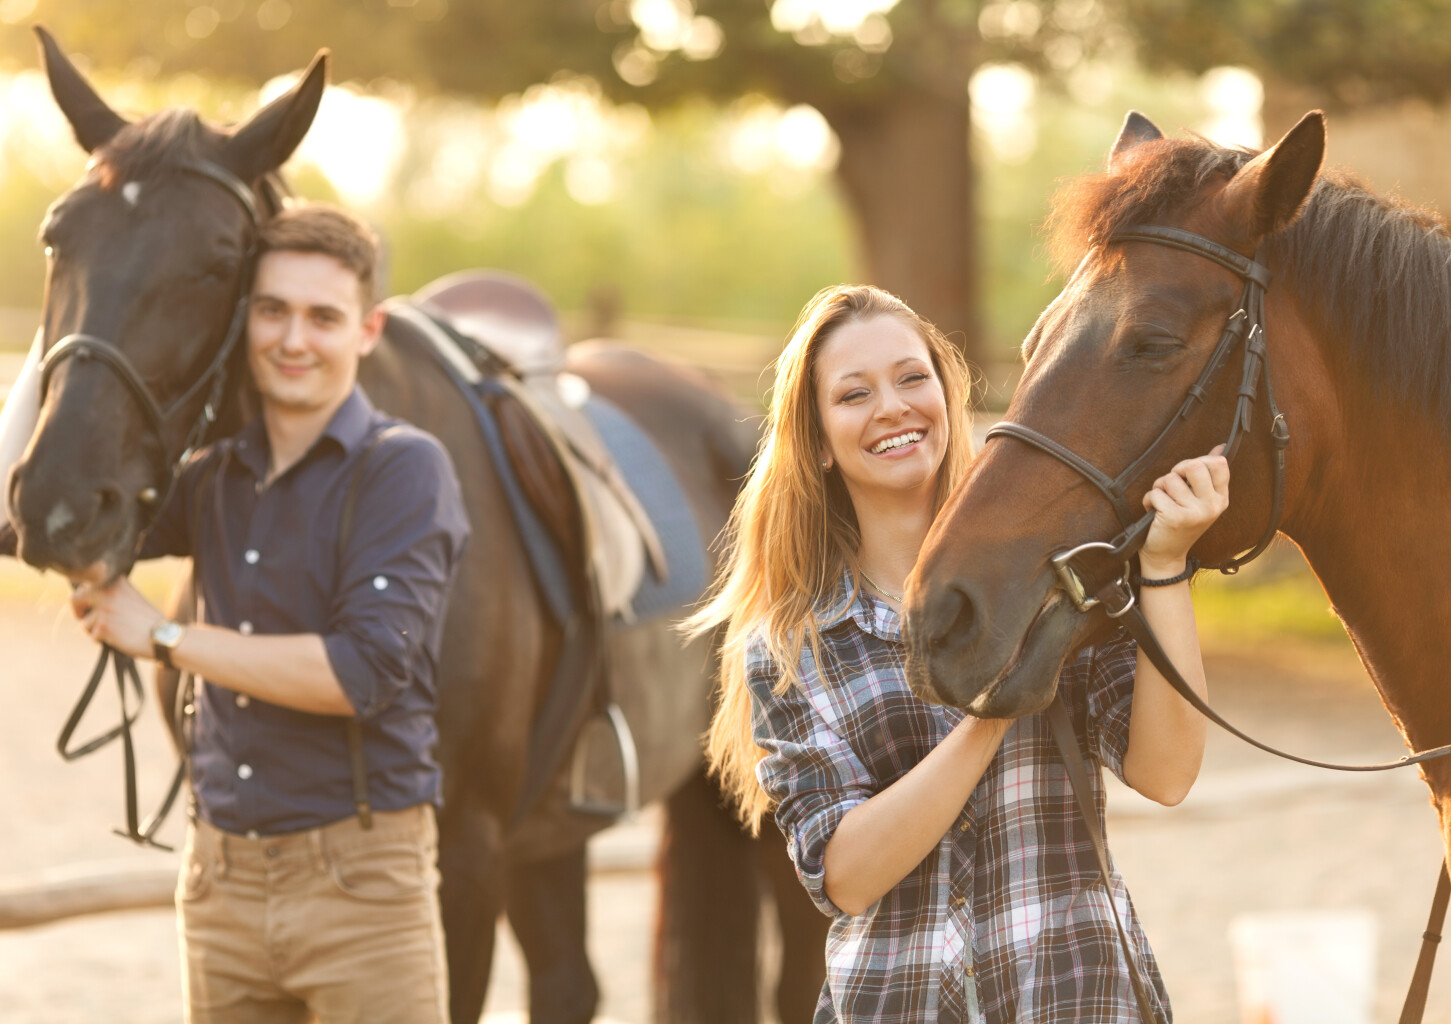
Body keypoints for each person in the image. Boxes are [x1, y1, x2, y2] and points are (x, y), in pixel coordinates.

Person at [690, 284, 1227, 1024]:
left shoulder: (1060, 566)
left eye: (913, 378)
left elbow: (1164, 774)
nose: (891, 407)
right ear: (816, 439)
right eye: (853, 395)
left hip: (1078, 994)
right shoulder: (789, 646)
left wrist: (1165, 567)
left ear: (947, 393)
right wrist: (995, 704)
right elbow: (846, 875)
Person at [60, 204, 469, 1023]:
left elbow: (364, 672)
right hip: (217, 884)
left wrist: (166, 636)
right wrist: (67, 353)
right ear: (244, 318)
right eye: (272, 310)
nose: (292, 339)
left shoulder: (404, 470)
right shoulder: (210, 476)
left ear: (367, 330)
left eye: (323, 317)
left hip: (362, 889)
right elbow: (37, 514)